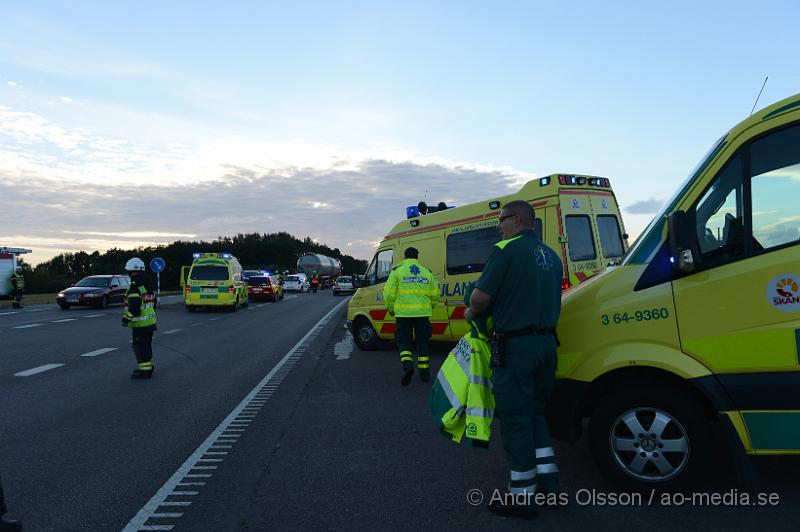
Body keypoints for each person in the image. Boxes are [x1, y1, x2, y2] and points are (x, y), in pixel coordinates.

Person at [464, 200, 563, 519]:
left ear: (518, 220)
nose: (498, 226)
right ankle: (550, 487)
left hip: (516, 349)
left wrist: (471, 311)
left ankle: (522, 498)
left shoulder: (505, 250)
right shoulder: (552, 256)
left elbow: (481, 298)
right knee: (535, 415)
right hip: (547, 346)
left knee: (516, 421)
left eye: (502, 219)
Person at [383, 247, 439, 386]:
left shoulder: (397, 271)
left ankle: (408, 366)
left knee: (404, 342)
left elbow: (388, 294)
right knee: (423, 343)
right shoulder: (427, 273)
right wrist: (428, 307)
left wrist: (391, 308)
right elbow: (435, 295)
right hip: (423, 314)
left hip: (403, 315)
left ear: (405, 256)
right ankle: (425, 374)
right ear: (417, 257)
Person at [122, 258, 157, 379]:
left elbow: (135, 308)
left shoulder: (134, 286)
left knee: (140, 347)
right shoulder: (149, 285)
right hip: (150, 322)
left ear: (131, 272)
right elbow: (154, 303)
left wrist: (126, 319)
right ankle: (149, 367)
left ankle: (145, 371)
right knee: (146, 346)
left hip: (140, 324)